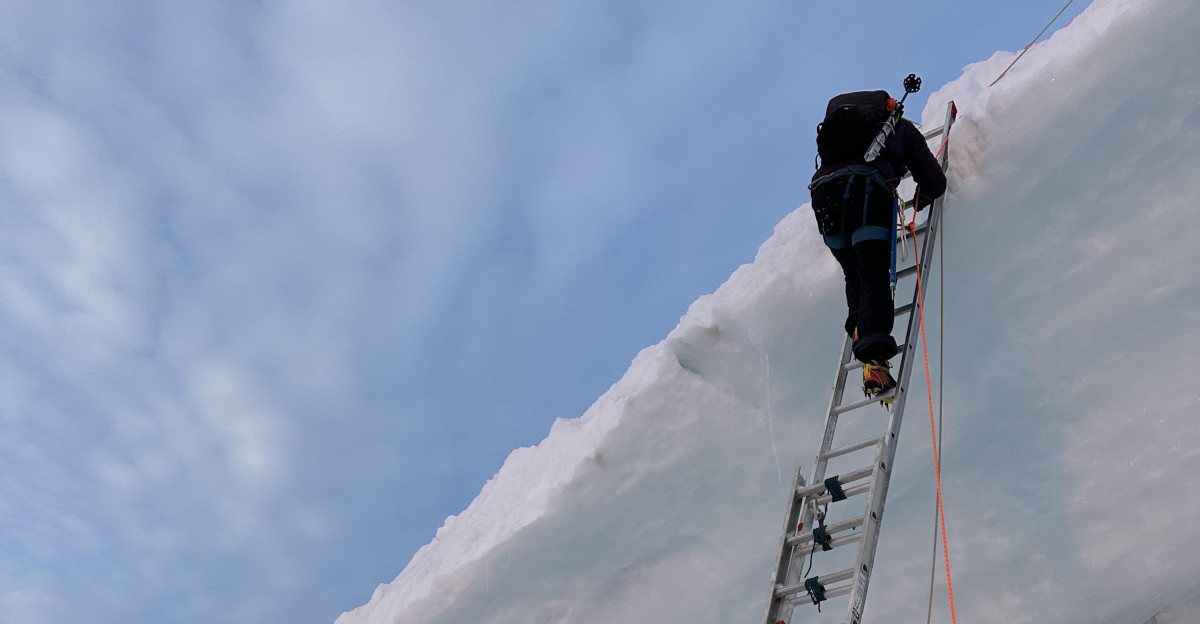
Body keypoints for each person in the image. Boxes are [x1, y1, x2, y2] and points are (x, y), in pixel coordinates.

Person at [808, 90, 946, 396]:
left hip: (825, 197)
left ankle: (861, 330)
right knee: (872, 273)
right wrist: (921, 198)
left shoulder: (839, 136)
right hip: (866, 192)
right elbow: (935, 182)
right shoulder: (899, 127)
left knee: (855, 274)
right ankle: (874, 359)